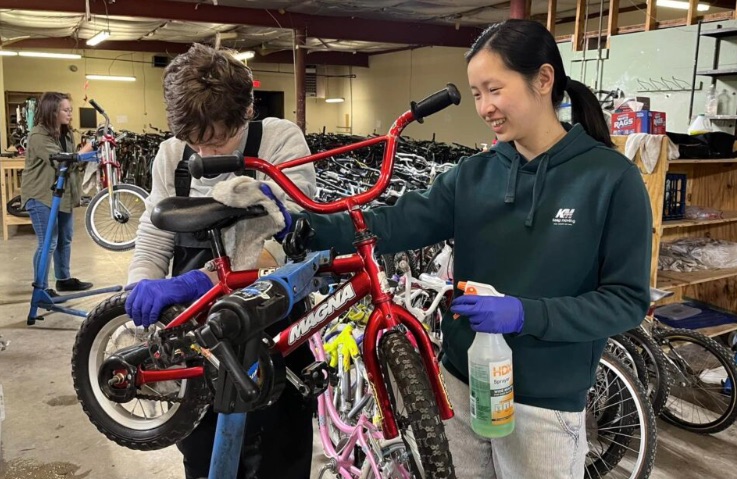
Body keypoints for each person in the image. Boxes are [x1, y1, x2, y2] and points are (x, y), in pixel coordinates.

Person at [284, 19, 652, 478]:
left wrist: (525, 314)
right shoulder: (473, 174)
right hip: (463, 385)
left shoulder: (611, 180)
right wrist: (305, 225)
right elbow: (394, 221)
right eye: (476, 93)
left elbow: (626, 302)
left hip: (543, 404)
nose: (484, 107)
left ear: (543, 79)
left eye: (493, 89)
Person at [124, 43, 317, 479]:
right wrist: (139, 287)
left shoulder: (280, 140)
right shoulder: (172, 155)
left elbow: (287, 240)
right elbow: (155, 233)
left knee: (279, 457)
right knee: (204, 455)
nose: (206, 155)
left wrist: (206, 282)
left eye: (218, 141)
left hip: (275, 328)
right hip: (197, 336)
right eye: (195, 142)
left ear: (247, 109)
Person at [21, 92, 94, 296]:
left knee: (65, 239)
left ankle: (64, 279)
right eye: (66, 110)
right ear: (52, 111)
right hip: (41, 195)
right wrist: (85, 151)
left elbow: (71, 166)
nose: (70, 114)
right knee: (48, 241)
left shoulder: (67, 133)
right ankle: (41, 288)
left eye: (70, 110)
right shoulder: (38, 135)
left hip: (62, 195)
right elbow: (61, 160)